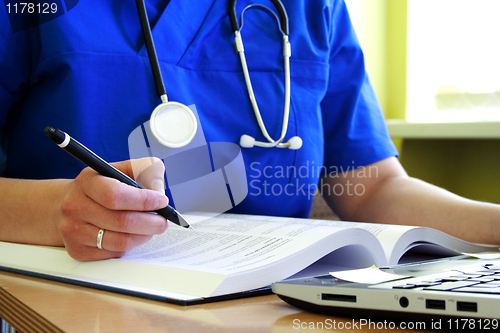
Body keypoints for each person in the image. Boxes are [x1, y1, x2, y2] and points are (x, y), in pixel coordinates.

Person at [0, 0, 499, 262]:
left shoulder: (310, 7)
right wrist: (55, 213)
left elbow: (373, 188)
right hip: (75, 298)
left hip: (273, 307)